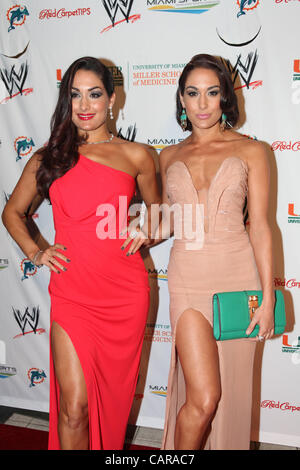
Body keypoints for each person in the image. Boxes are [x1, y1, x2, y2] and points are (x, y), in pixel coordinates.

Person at [1, 56, 161, 450]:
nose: (84, 105)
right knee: (74, 407)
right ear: (64, 101)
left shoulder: (138, 155)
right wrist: (36, 252)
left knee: (109, 404)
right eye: (74, 95)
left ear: (112, 99)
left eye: (94, 94)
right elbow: (12, 212)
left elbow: (160, 215)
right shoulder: (48, 158)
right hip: (72, 292)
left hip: (124, 292)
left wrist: (146, 228)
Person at [158, 54, 274, 450]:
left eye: (212, 92)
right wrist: (139, 229)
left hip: (238, 278)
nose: (203, 103)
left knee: (233, 393)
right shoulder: (168, 156)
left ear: (225, 97)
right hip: (187, 278)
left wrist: (269, 297)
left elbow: (259, 225)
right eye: (193, 93)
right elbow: (169, 219)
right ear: (182, 99)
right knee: (204, 398)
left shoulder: (253, 151)